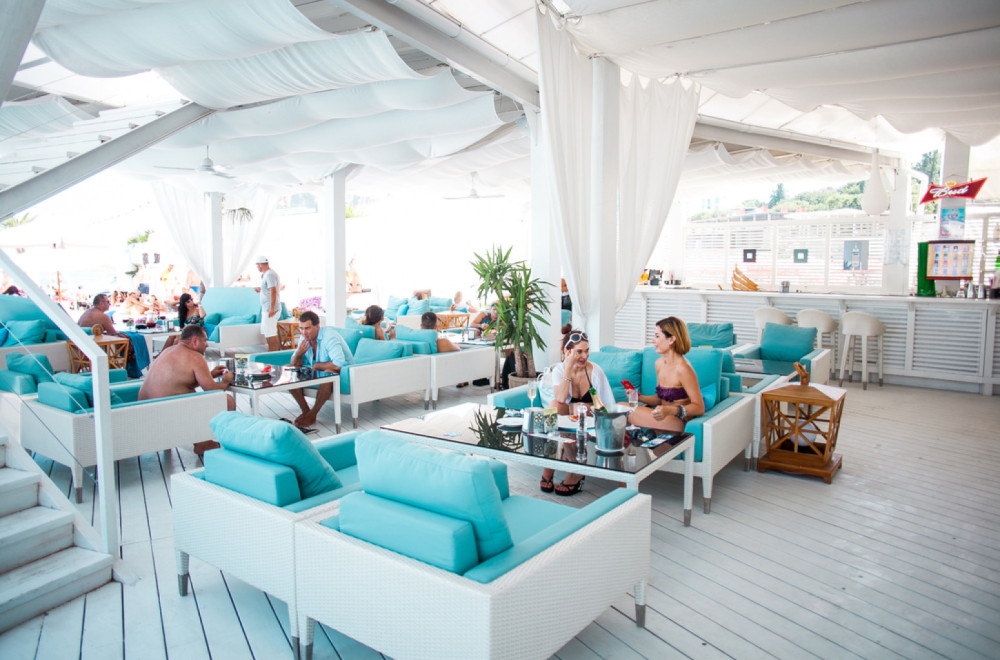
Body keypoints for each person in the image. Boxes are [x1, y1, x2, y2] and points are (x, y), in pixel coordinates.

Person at [537, 324, 616, 496]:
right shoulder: (559, 370)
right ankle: (548, 465)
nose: (584, 356)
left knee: (580, 409)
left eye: (586, 351)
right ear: (568, 352)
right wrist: (568, 368)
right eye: (579, 352)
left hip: (589, 416)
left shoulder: (595, 371)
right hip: (568, 415)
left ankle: (576, 469)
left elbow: (607, 405)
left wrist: (584, 408)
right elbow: (560, 398)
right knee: (553, 407)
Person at [138, 324, 235, 455]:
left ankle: (202, 441)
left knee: (191, 395)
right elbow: (213, 391)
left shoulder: (168, 351)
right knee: (227, 400)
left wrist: (210, 374)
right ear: (195, 341)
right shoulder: (195, 357)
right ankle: (205, 443)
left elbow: (180, 381)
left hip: (145, 410)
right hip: (167, 411)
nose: (207, 345)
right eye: (204, 340)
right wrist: (225, 381)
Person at [628, 316, 704, 433]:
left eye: (657, 336)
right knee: (619, 409)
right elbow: (661, 399)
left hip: (678, 421)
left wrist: (670, 410)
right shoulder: (659, 363)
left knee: (620, 408)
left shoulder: (684, 368)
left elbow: (699, 407)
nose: (653, 340)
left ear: (671, 339)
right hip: (663, 418)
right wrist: (639, 397)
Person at [288, 311, 347, 429]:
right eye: (301, 328)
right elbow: (295, 364)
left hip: (345, 373)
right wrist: (299, 354)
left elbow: (339, 365)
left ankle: (312, 414)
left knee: (328, 375)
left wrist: (317, 365)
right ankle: (306, 411)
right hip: (319, 372)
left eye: (307, 328)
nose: (303, 332)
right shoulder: (304, 337)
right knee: (289, 370)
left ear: (317, 326)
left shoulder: (329, 337)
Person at [254, 255, 281, 351]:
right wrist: (261, 290)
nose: (257, 267)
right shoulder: (267, 274)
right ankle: (271, 353)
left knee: (271, 334)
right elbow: (269, 289)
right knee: (268, 333)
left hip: (270, 309)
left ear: (260, 265)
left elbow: (273, 291)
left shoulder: (269, 274)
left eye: (257, 265)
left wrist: (272, 309)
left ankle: (273, 355)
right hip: (267, 308)